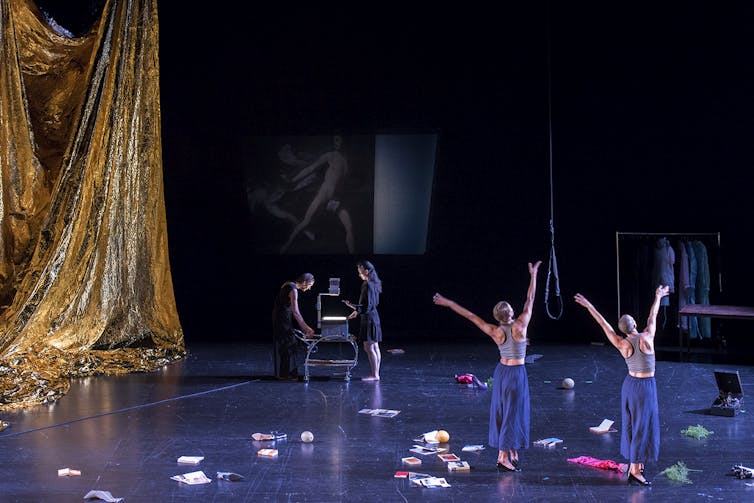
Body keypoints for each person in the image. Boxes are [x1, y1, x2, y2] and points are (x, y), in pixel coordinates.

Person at [433, 261, 541, 472]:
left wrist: (448, 302)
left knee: (504, 411)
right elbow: (530, 298)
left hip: (501, 372)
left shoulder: (493, 330)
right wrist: (533, 275)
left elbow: (470, 315)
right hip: (516, 374)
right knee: (512, 413)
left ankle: (510, 449)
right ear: (511, 312)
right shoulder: (521, 324)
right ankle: (503, 455)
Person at [574, 285, 669, 486]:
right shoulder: (646, 337)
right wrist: (658, 296)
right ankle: (635, 470)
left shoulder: (621, 343)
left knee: (632, 425)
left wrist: (589, 306)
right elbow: (653, 317)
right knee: (642, 426)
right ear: (634, 323)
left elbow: (603, 324)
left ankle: (636, 463)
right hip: (644, 386)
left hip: (629, 385)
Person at [280, 135, 355, 254]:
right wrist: (292, 180)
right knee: (306, 221)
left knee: (349, 228)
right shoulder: (330, 155)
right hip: (324, 194)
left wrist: (340, 197)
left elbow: (345, 182)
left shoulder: (347, 161)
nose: (338, 142)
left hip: (336, 199)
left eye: (340, 139)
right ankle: (285, 246)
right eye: (335, 139)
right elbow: (311, 168)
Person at [272, 273, 316, 380]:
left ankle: (284, 373)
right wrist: (307, 328)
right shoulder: (294, 290)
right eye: (310, 285)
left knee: (287, 344)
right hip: (282, 319)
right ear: (304, 282)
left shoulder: (288, 284)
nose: (309, 288)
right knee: (290, 344)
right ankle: (287, 374)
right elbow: (296, 312)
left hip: (279, 318)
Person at [344, 261, 382, 381]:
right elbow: (368, 305)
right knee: (374, 346)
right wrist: (355, 310)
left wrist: (355, 307)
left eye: (360, 271)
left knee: (369, 347)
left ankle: (375, 375)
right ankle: (376, 374)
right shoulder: (374, 283)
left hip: (369, 319)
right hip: (372, 316)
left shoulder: (367, 284)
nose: (358, 274)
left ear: (366, 271)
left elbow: (367, 306)